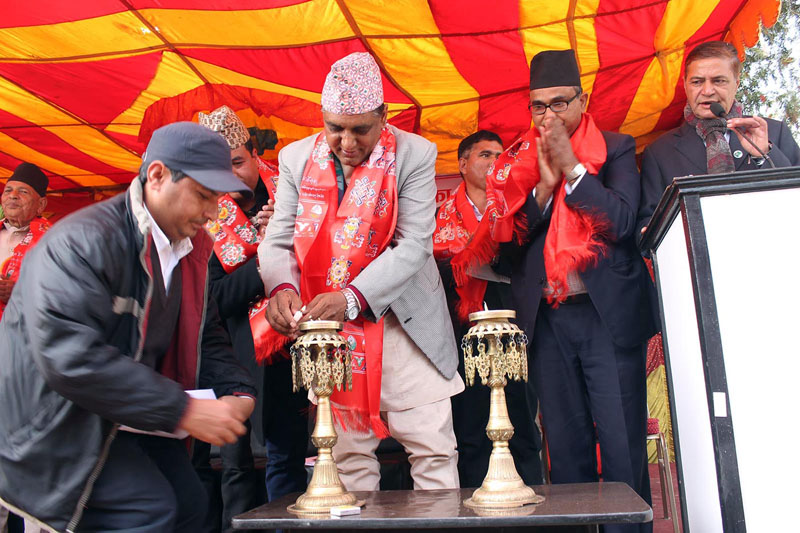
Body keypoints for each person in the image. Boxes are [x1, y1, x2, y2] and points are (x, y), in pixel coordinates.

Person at [0, 122, 258, 533]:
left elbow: (203, 334)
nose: (213, 212)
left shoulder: (190, 250)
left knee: (191, 505)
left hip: (126, 413)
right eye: (203, 195)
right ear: (156, 176)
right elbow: (69, 355)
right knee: (146, 510)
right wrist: (184, 409)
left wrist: (236, 391)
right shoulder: (84, 241)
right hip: (53, 423)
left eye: (218, 199)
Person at [452, 49, 657, 532]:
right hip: (547, 321)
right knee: (564, 451)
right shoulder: (515, 163)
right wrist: (542, 192)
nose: (548, 116)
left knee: (623, 445)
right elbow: (507, 249)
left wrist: (573, 171)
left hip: (605, 317)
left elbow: (623, 223)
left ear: (582, 100)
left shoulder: (617, 148)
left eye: (559, 103)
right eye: (538, 107)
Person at [258, 52, 464, 491]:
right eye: (335, 128)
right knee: (347, 461)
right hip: (334, 335)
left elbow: (414, 245)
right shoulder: (296, 158)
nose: (346, 142)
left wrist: (350, 298)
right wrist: (281, 287)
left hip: (404, 325)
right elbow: (277, 239)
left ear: (384, 116)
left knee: (432, 452)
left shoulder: (415, 154)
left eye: (360, 129)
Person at [197, 105, 308, 529]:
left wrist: (284, 237)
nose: (231, 174)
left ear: (256, 156)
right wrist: (263, 260)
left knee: (289, 455)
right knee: (236, 464)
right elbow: (214, 297)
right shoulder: (206, 213)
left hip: (292, 349)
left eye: (239, 162)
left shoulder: (290, 196)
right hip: (236, 357)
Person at [434, 130, 543, 487]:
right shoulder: (440, 216)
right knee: (471, 421)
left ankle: (533, 505)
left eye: (500, 155)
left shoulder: (516, 207)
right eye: (485, 155)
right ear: (462, 164)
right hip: (463, 327)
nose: (495, 162)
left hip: (513, 321)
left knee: (522, 416)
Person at [637, 40, 800, 236]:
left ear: (736, 83)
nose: (707, 91)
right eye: (697, 82)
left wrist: (763, 155)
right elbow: (647, 223)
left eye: (719, 81)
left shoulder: (773, 132)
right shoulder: (660, 152)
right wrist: (652, 232)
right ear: (685, 85)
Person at [0, 162, 50, 319]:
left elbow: (68, 292)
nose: (13, 195)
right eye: (8, 190)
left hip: (20, 335)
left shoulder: (54, 241)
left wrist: (18, 293)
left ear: (41, 204)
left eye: (23, 192)